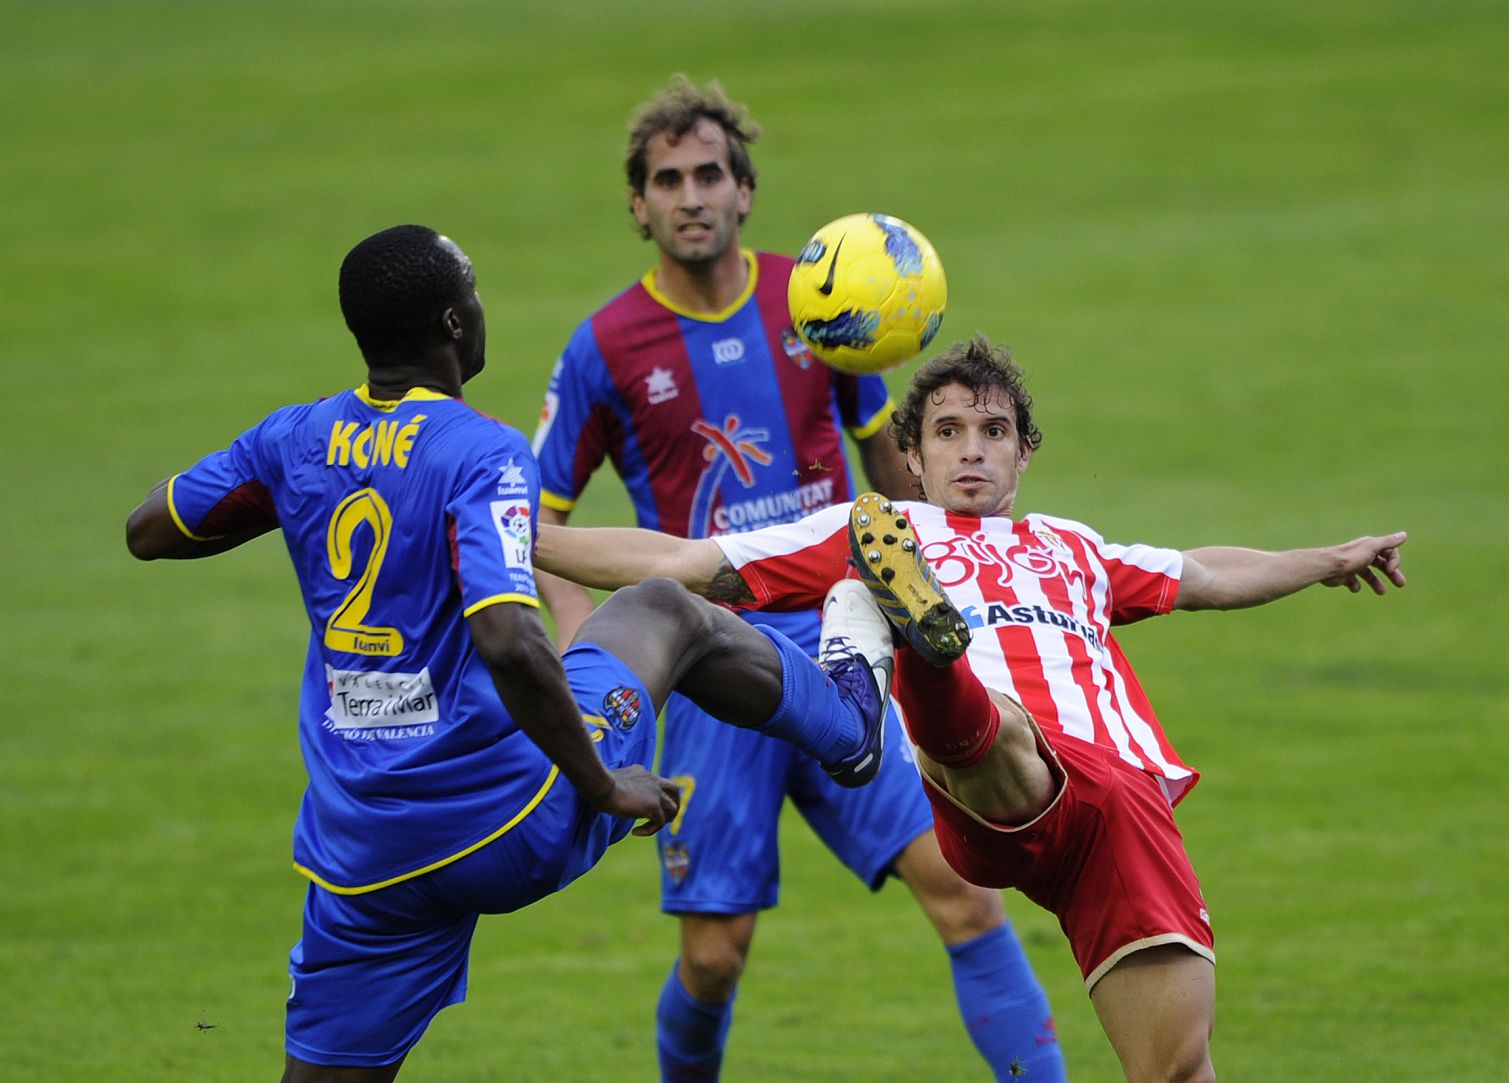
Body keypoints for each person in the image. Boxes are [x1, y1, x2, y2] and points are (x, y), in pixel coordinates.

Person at [123, 224, 900, 1082]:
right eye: (476, 293)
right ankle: (851, 726)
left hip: (363, 849)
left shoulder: (293, 441)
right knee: (661, 607)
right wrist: (601, 784)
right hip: (507, 817)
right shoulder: (481, 451)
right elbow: (509, 636)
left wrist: (300, 486)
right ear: (455, 324)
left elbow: (149, 530)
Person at [530, 335, 1409, 1083]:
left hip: (1123, 808)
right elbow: (685, 561)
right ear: (913, 454)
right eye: (948, 432)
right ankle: (923, 647)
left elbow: (1206, 574)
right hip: (995, 778)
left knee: (1178, 1065)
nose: (973, 450)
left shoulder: (1076, 548)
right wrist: (517, 534)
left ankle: (907, 641)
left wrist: (1327, 558)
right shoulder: (874, 528)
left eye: (994, 431)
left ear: (1026, 450)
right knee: (990, 725)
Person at [531, 76, 1065, 1082]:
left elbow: (891, 474)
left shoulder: (824, 303)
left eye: (710, 176)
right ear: (638, 205)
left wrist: (956, 575)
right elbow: (541, 520)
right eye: (668, 180)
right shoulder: (604, 347)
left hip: (844, 639)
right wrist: (584, 663)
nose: (691, 196)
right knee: (715, 955)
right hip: (706, 667)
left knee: (965, 895)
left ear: (745, 191)